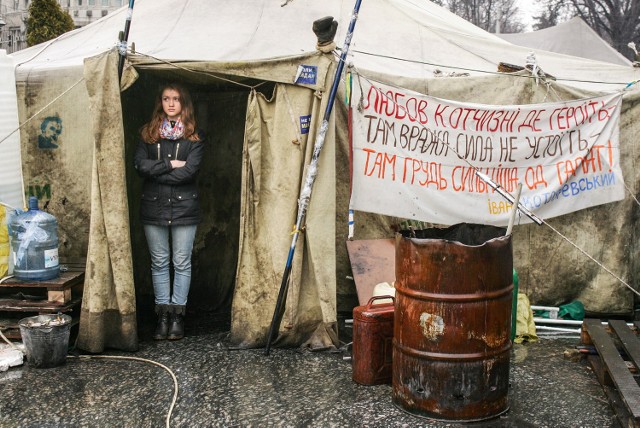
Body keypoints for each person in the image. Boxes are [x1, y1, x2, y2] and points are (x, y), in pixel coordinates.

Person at [134, 83, 205, 340]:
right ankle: (162, 315)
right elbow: (140, 166)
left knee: (182, 261)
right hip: (153, 205)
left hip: (185, 207)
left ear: (184, 103)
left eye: (176, 99)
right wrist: (170, 164)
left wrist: (158, 172)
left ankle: (177, 316)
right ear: (160, 102)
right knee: (159, 262)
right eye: (166, 98)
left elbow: (190, 172)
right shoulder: (147, 134)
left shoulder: (194, 137)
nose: (171, 103)